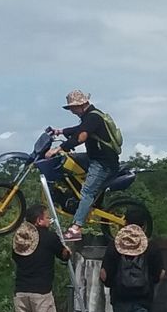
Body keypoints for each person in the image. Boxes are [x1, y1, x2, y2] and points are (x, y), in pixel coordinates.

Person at [45, 89, 120, 241]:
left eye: (73, 107)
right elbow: (79, 128)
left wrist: (59, 148)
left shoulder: (93, 117)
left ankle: (76, 228)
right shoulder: (89, 116)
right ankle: (73, 197)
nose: (71, 110)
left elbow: (81, 136)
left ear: (82, 104)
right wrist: (59, 131)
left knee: (87, 191)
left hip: (103, 162)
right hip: (93, 157)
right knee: (67, 161)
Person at [12, 204, 71, 312]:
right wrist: (66, 249)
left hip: (21, 291)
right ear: (39, 220)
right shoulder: (49, 237)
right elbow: (64, 255)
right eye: (47, 217)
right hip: (42, 292)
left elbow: (15, 257)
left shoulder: (20, 238)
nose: (49, 221)